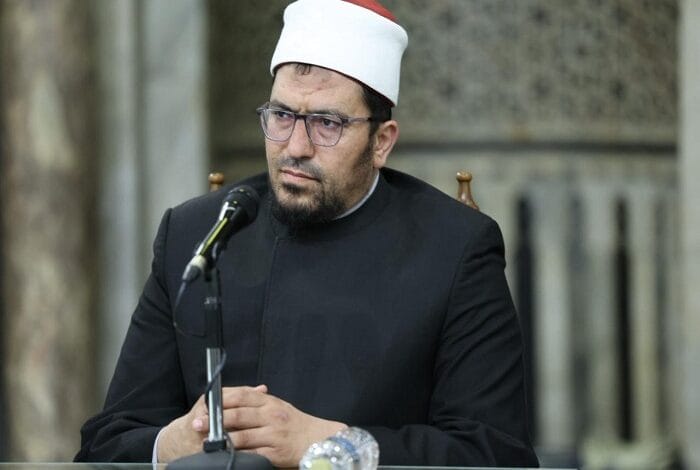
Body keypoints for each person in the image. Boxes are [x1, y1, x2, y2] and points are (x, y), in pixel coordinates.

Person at [76, 0, 539, 467]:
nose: (295, 147)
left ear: (381, 142)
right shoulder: (198, 234)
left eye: (326, 123)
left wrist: (330, 445)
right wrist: (176, 443)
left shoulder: (454, 249)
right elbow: (106, 444)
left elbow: (497, 455)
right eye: (281, 116)